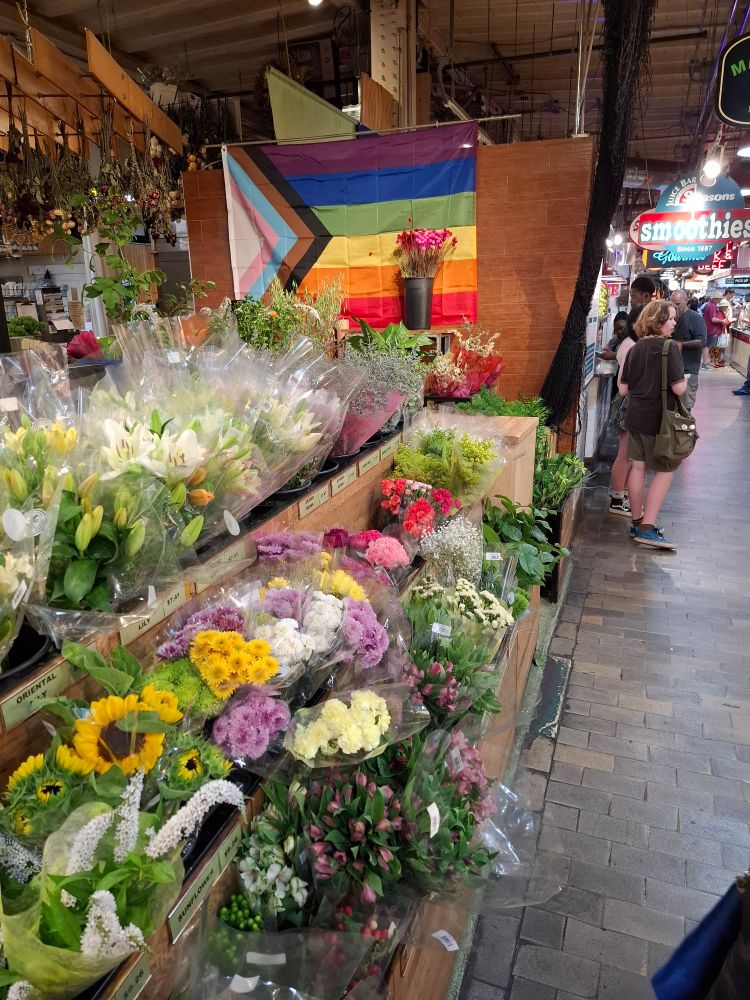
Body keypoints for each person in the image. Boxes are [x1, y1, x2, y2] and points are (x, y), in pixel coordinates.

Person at [620, 299, 688, 550]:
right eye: (670, 318)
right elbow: (679, 388)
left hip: (636, 416)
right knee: (665, 469)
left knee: (638, 467)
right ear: (658, 321)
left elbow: (624, 389)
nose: (673, 323)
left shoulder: (635, 348)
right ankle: (648, 527)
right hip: (659, 420)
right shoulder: (669, 347)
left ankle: (637, 521)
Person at [608, 316, 638, 515]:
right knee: (626, 454)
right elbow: (624, 385)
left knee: (628, 454)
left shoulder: (630, 344)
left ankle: (622, 495)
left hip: (628, 402)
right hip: (628, 402)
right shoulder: (630, 346)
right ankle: (617, 499)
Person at [670, 289, 707, 410]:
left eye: (677, 304)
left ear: (686, 302)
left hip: (688, 369)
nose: (675, 307)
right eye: (672, 303)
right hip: (672, 369)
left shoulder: (695, 318)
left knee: (685, 408)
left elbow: (701, 341)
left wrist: (681, 344)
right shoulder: (672, 318)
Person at [702, 291, 726, 368]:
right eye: (719, 299)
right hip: (711, 329)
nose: (720, 301)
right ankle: (705, 363)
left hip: (710, 329)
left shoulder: (711, 305)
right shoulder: (711, 306)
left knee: (708, 346)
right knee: (707, 346)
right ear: (716, 299)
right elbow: (713, 319)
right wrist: (722, 321)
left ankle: (706, 362)